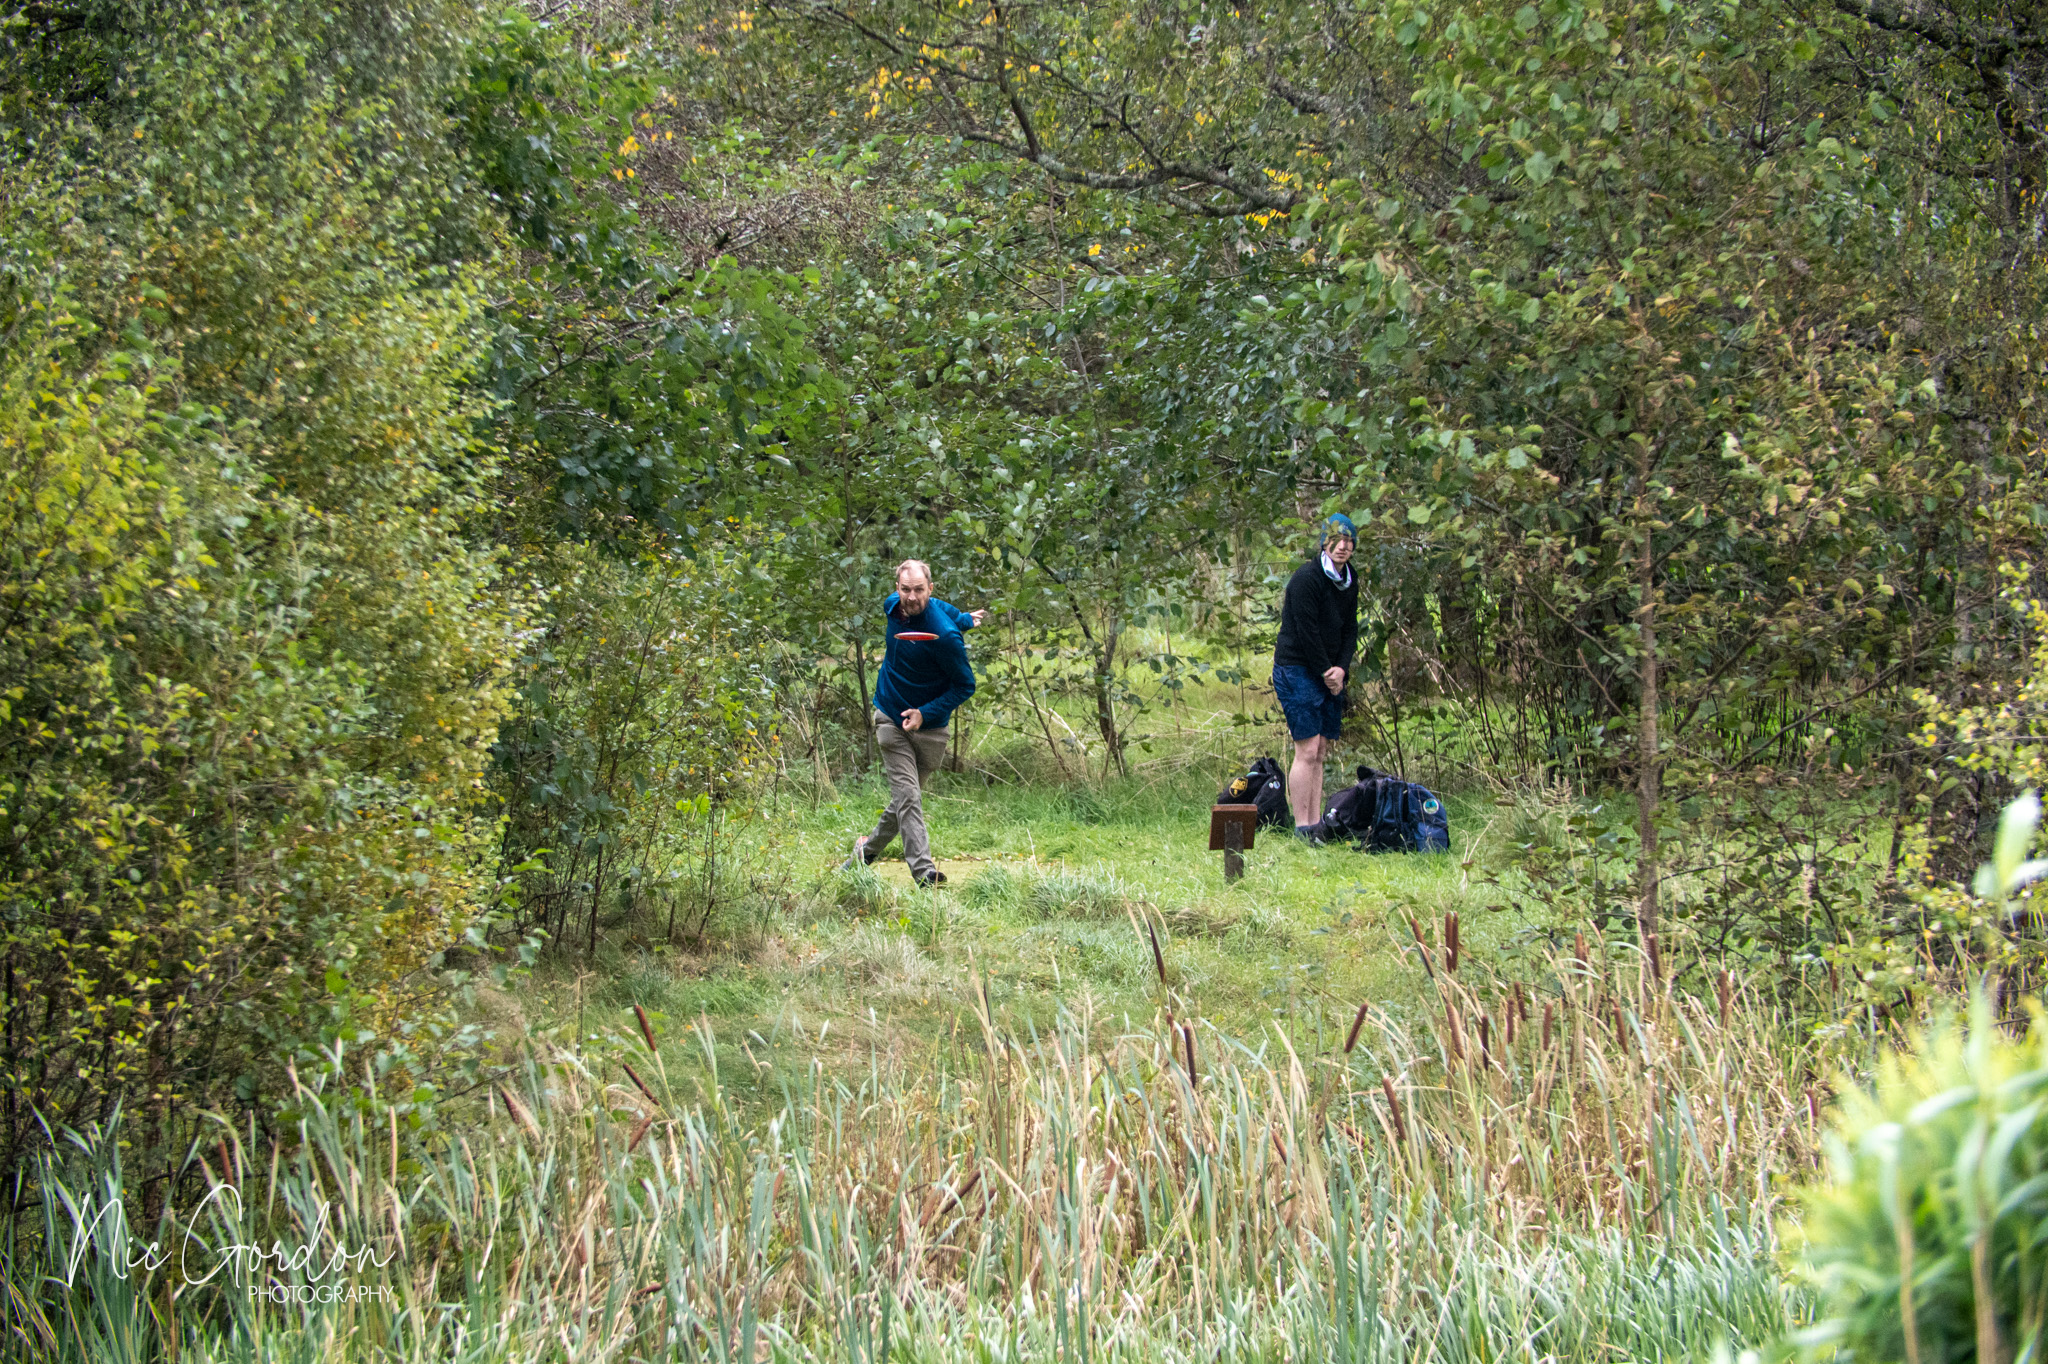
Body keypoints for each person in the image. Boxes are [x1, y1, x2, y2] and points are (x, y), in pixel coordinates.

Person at [847, 560, 979, 887]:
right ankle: (925, 874)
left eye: (919, 589)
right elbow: (935, 606)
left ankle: (862, 855)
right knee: (908, 798)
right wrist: (963, 617)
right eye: (905, 589)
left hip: (930, 729)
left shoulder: (945, 637)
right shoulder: (892, 607)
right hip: (890, 716)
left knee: (903, 804)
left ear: (930, 590)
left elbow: (966, 686)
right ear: (897, 589)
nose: (911, 597)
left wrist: (925, 712)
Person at [1272, 513, 1360, 843]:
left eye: (1349, 541)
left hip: (1329, 671)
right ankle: (1302, 828)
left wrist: (1342, 668)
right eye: (1336, 540)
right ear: (1324, 543)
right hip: (1297, 668)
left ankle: (1315, 825)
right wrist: (1327, 672)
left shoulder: (1350, 579)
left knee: (1321, 749)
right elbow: (1307, 633)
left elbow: (1350, 628)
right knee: (1307, 749)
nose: (1343, 546)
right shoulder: (1306, 579)